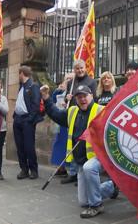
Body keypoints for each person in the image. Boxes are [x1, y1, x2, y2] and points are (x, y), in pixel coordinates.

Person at [41, 84, 118, 218]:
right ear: (76, 99)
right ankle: (111, 188)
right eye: (79, 96)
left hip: (98, 157)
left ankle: (96, 206)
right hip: (80, 161)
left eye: (85, 96)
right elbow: (56, 114)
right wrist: (46, 98)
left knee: (89, 169)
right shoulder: (72, 111)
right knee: (83, 201)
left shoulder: (102, 110)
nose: (82, 99)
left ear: (92, 96)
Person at [13, 65, 44, 180]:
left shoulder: (33, 86)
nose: (18, 76)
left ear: (22, 73)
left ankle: (33, 170)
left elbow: (36, 104)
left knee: (29, 146)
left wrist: (30, 119)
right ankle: (24, 169)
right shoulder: (21, 87)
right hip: (18, 120)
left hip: (27, 120)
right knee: (19, 146)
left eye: (19, 74)